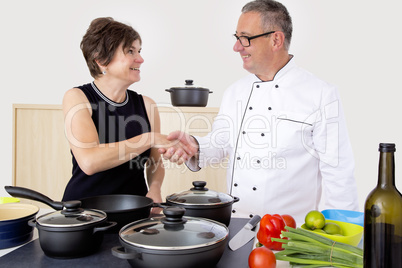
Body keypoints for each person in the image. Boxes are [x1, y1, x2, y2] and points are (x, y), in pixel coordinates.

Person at [160, 0, 359, 223]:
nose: (237, 47)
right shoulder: (235, 92)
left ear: (276, 39)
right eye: (236, 38)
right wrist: (195, 146)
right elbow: (221, 143)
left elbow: (338, 174)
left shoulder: (321, 94)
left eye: (245, 38)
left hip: (290, 236)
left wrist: (342, 240)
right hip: (235, 224)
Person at [62, 17, 182, 212]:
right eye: (130, 51)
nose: (140, 59)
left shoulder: (147, 105)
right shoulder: (77, 98)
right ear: (101, 60)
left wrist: (154, 189)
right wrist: (149, 138)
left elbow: (154, 161)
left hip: (135, 211)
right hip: (84, 215)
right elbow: (89, 162)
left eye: (139, 51)